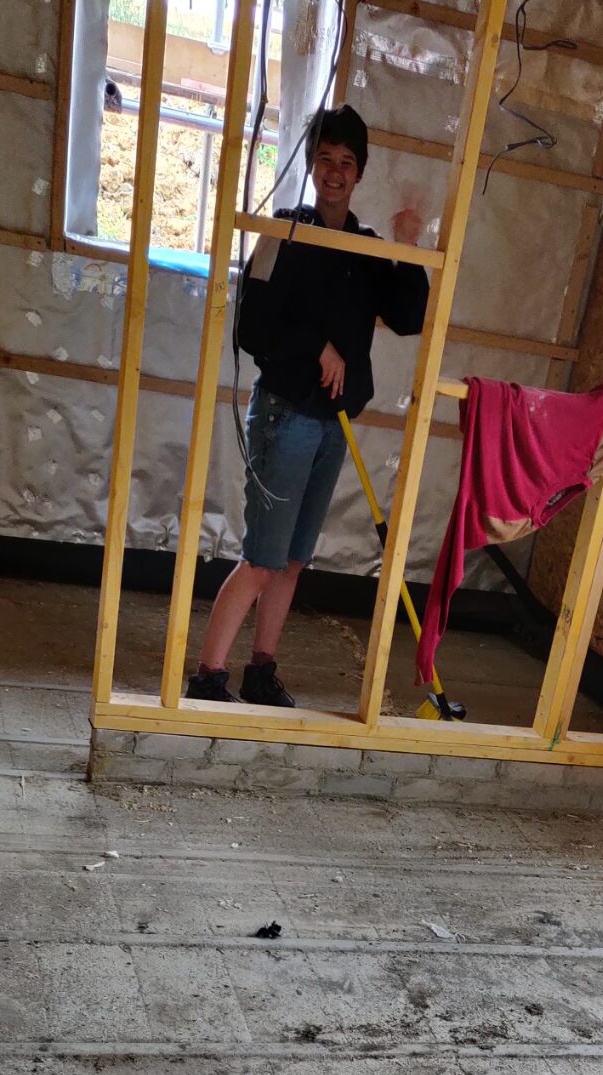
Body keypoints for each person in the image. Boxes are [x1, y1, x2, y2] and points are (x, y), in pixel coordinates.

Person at [186, 103, 430, 706]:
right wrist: (316, 346)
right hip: (284, 413)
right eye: (325, 159)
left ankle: (260, 672)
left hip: (331, 423)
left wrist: (408, 245)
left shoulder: (366, 249)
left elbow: (409, 316)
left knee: (293, 561)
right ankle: (208, 677)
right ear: (310, 165)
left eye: (346, 162)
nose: (335, 172)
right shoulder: (281, 233)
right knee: (263, 558)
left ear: (359, 173)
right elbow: (251, 324)